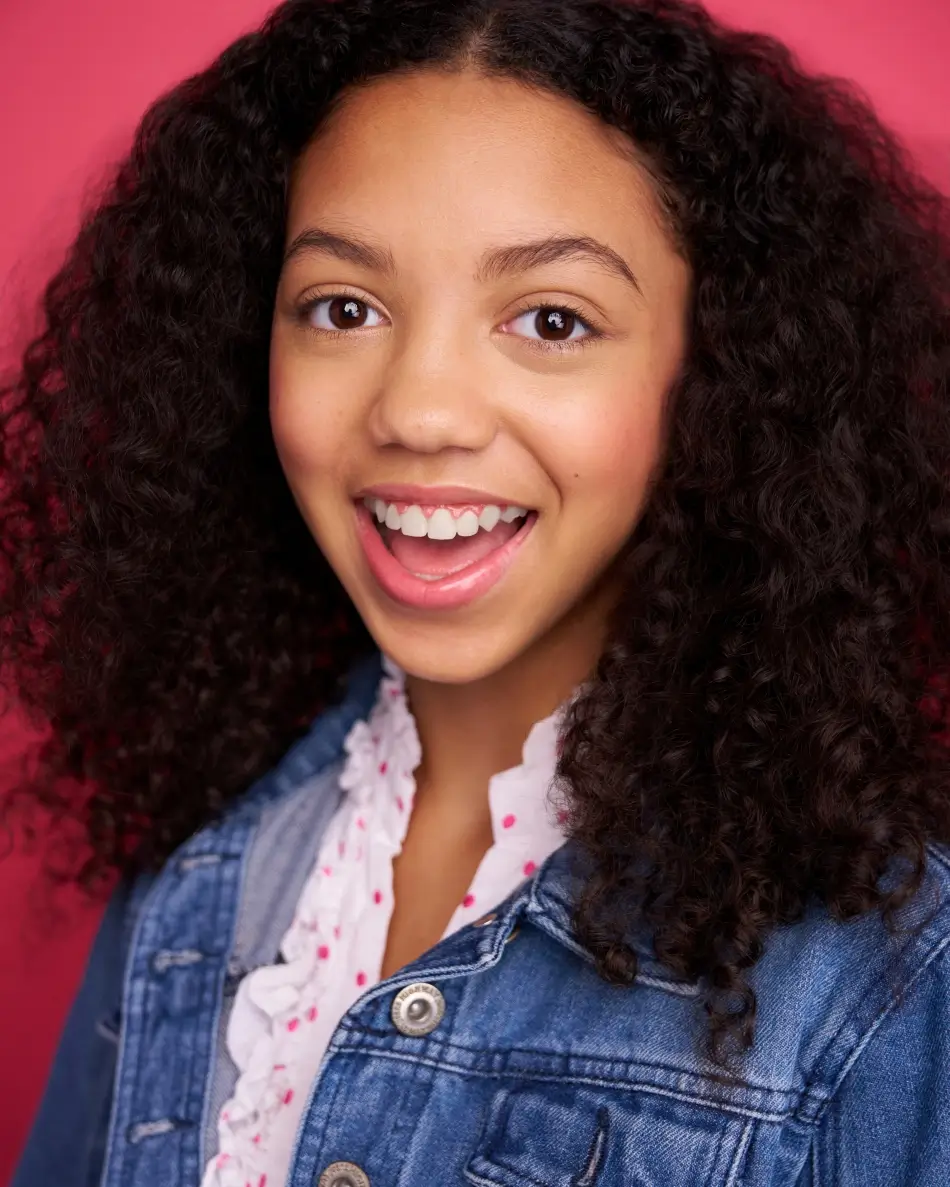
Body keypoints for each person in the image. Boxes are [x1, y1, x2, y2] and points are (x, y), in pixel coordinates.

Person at [3, 0, 949, 1183]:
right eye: (342, 309)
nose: (419, 410)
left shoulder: (880, 973)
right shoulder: (198, 870)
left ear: (718, 377)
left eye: (550, 319)